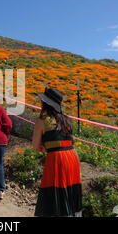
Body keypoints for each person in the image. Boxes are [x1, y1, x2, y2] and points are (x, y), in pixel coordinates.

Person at [32, 88, 82, 217]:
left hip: (57, 159)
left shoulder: (41, 121)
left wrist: (46, 148)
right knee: (70, 188)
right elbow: (70, 141)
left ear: (45, 103)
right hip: (72, 157)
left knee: (55, 191)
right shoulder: (66, 119)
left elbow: (35, 146)